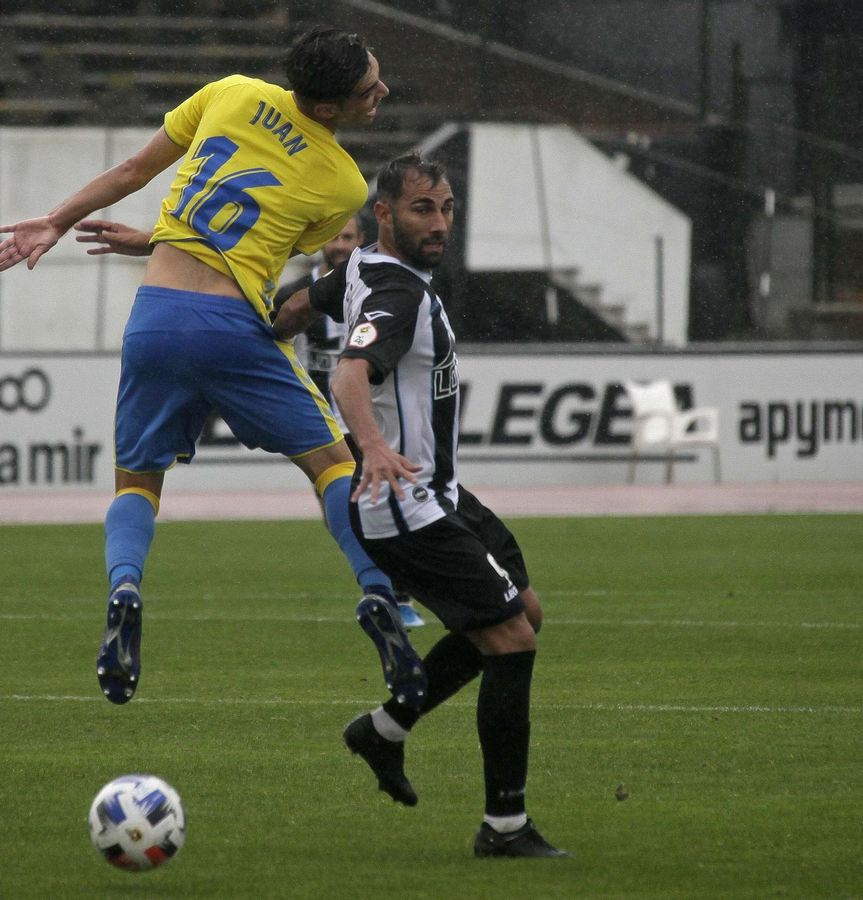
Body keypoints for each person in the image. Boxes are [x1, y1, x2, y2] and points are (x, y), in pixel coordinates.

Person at [0, 27, 426, 712]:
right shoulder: (341, 181)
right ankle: (379, 595)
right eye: (371, 88)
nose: (384, 93)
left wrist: (54, 220)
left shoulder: (230, 94)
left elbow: (134, 172)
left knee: (137, 481)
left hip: (155, 319)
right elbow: (263, 245)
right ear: (332, 108)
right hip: (231, 328)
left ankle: (125, 588)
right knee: (335, 466)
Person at [273, 152, 567, 858]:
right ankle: (505, 828)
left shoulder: (359, 271)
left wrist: (258, 339)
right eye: (422, 210)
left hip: (440, 491)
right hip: (403, 503)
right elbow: (349, 374)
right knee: (511, 642)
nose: (439, 224)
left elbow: (292, 310)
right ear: (384, 212)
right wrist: (370, 447)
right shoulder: (395, 296)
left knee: (524, 612)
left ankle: (384, 729)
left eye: (446, 209)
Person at [276, 211, 427, 629]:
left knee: (387, 498)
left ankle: (398, 593)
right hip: (320, 419)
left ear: (361, 239)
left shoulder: (377, 290)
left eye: (348, 237)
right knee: (340, 505)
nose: (339, 245)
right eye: (333, 237)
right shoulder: (295, 294)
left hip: (371, 418)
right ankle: (383, 587)